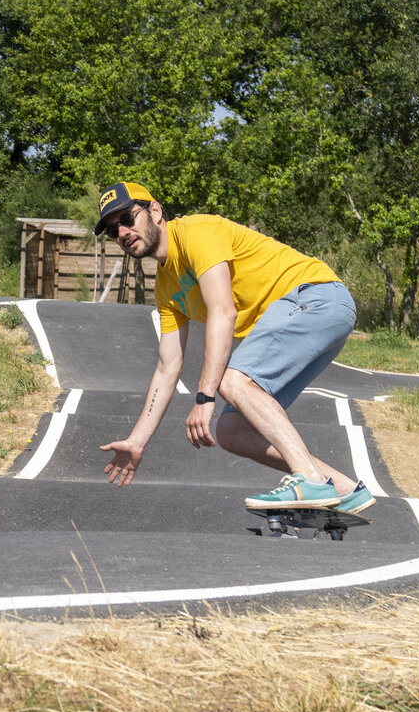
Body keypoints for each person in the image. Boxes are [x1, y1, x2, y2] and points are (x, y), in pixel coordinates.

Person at [94, 182, 374, 513]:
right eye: (114, 230)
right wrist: (137, 440)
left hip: (315, 296)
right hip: (312, 316)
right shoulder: (167, 288)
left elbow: (223, 312)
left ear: (154, 211)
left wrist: (204, 396)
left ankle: (309, 481)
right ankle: (342, 489)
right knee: (232, 431)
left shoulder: (197, 232)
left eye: (128, 218)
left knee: (232, 381)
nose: (123, 232)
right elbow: (168, 366)